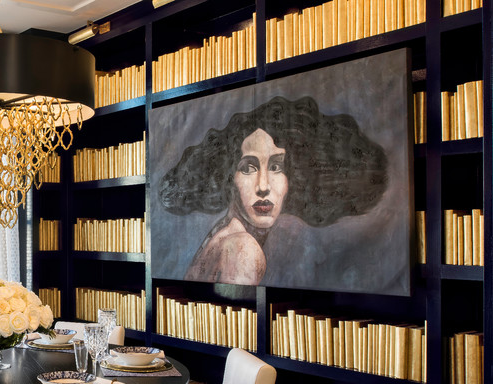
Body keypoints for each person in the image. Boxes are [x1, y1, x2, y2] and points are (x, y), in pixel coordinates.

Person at [158, 96, 388, 285]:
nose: (264, 186)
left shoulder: (224, 233)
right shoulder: (242, 249)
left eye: (277, 167)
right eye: (248, 168)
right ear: (227, 177)